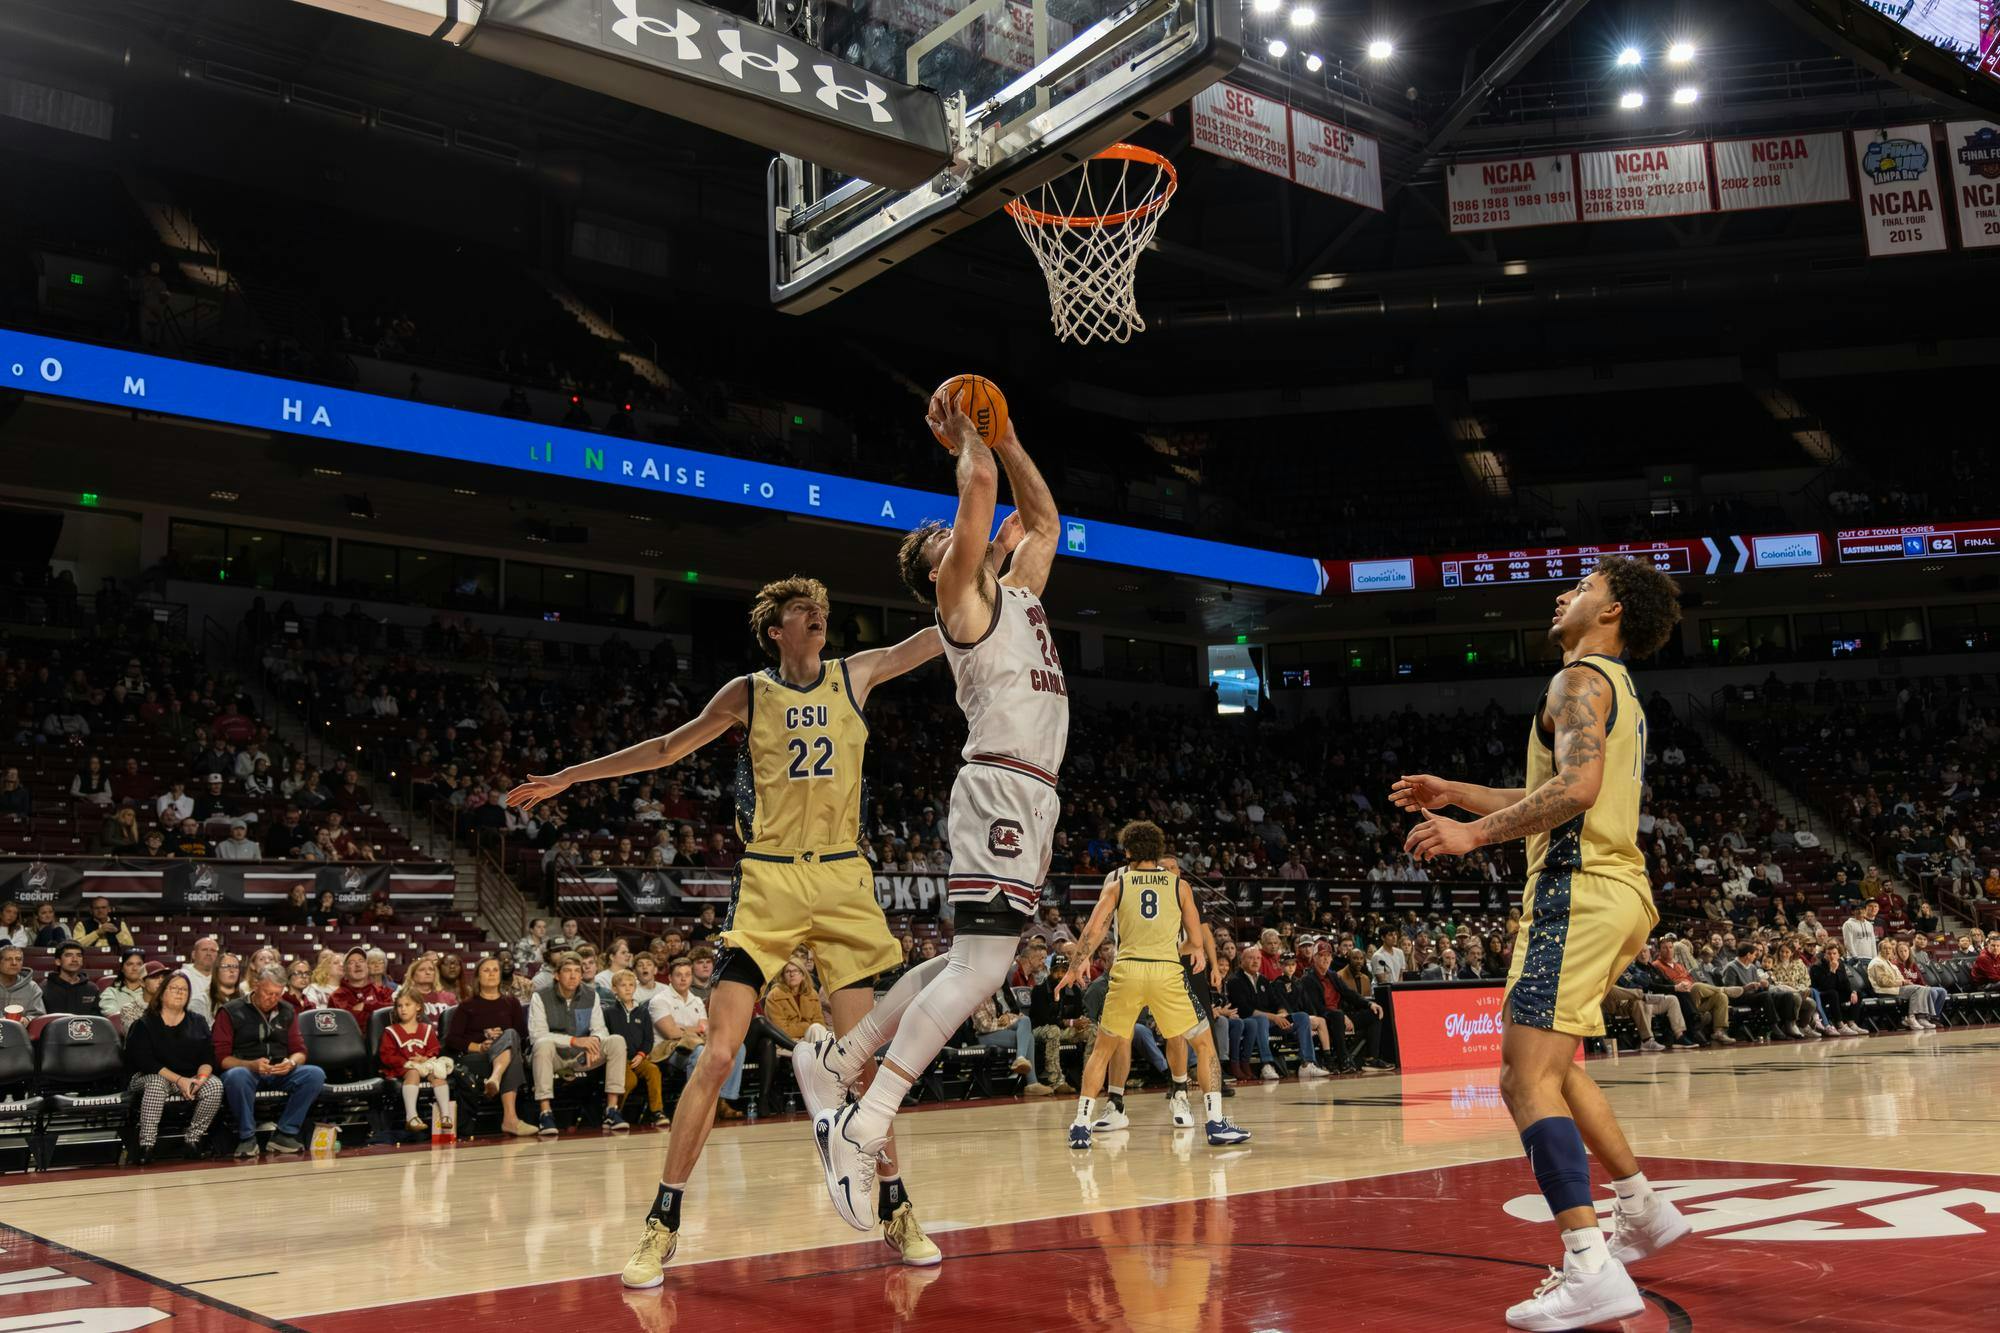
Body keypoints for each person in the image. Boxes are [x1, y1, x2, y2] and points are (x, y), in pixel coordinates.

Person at [507, 574, 953, 1287]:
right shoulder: (747, 692)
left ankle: (895, 1203)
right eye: (803, 609)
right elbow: (663, 748)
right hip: (771, 876)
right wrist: (569, 774)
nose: (819, 614)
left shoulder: (856, 672)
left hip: (842, 876)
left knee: (864, 1065)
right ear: (775, 629)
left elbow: (940, 631)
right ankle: (661, 1221)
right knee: (717, 1055)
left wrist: (992, 565)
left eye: (822, 607)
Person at [1391, 556, 1690, 1329]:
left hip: (1575, 890)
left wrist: (1468, 836)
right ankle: (1643, 1207)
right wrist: (1458, 792)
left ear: (1613, 610)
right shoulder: (1613, 688)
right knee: (1554, 1069)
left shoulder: (1577, 679)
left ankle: (1589, 1265)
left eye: (1584, 586)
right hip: (1618, 890)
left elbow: (1575, 792)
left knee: (1521, 1080)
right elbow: (1549, 792)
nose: (1565, 594)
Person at [814, 387, 1067, 1239]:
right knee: (984, 970)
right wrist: (969, 435)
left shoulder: (1018, 590)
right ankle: (869, 1113)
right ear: (934, 566)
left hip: (1035, 792)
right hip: (998, 782)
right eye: (937, 537)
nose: (947, 533)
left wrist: (1009, 427)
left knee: (974, 958)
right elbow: (984, 494)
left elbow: (1045, 517)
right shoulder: (960, 588)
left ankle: (845, 1057)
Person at [1059, 820, 1245, 1149]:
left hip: (1127, 970)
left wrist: (1075, 967)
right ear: (1159, 852)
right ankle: (1215, 1123)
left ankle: (1080, 1125)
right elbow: (1193, 938)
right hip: (1166, 971)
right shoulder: (1179, 886)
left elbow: (1093, 930)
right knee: (1204, 1046)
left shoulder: (1117, 885)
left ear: (1128, 850)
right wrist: (1189, 951)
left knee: (1103, 1048)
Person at [212, 965, 325, 1157]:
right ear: (256, 985)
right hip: (246, 1070)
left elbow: (299, 1051)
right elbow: (221, 1058)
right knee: (236, 1076)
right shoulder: (230, 1011)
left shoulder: (287, 1010)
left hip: (278, 1070)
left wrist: (290, 1063)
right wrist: (250, 1065)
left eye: (277, 994)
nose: (272, 999)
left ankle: (285, 1133)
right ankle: (247, 1138)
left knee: (314, 1074)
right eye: (267, 993)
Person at [123, 970, 222, 1165]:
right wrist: (179, 1080)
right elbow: (146, 1062)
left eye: (184, 989)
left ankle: (193, 1140)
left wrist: (200, 1079)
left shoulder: (198, 1021)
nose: (180, 993)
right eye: (174, 988)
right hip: (148, 1076)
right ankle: (147, 1145)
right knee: (157, 1083)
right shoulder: (144, 1023)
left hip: (189, 1077)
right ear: (162, 993)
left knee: (214, 1086)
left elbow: (208, 1056)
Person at [525, 952, 629, 1136]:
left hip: (582, 1057)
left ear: (582, 975)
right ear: (557, 975)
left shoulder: (591, 995)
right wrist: (574, 1040)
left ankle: (612, 1110)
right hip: (553, 1057)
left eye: (577, 971)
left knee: (616, 1041)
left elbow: (599, 1029)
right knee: (542, 1044)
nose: (573, 976)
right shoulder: (540, 996)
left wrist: (595, 1042)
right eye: (567, 971)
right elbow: (537, 1035)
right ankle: (545, 1112)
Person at [445, 956, 534, 1136]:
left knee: (510, 1035)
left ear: (501, 975)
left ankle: (496, 1077)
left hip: (505, 1053)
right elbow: (451, 1039)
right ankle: (510, 1119)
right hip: (478, 1057)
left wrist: (501, 1039)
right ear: (478, 977)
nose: (492, 974)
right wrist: (480, 1044)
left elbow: (522, 1036)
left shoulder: (512, 1003)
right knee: (511, 1052)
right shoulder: (467, 1006)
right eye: (486, 970)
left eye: (495, 970)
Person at [379, 988, 454, 1134]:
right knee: (413, 1073)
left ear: (418, 1007)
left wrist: (425, 1058)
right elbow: (386, 1055)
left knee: (438, 1076)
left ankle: (445, 1116)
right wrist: (408, 1062)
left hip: (424, 1064)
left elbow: (434, 1048)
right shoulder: (390, 1031)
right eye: (399, 1006)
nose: (403, 1009)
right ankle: (412, 1117)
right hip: (403, 1067)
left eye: (407, 1005)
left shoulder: (427, 1029)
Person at [604, 968, 665, 1127]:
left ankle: (657, 1112)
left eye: (631, 985)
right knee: (629, 1080)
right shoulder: (608, 1012)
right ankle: (614, 1111)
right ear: (614, 989)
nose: (628, 988)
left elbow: (648, 1039)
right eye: (623, 985)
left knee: (653, 1070)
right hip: (619, 1060)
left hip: (638, 1057)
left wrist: (642, 1054)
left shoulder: (643, 1012)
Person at [329, 947, 394, 1021]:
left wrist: (366, 1006)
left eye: (361, 961)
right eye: (351, 962)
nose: (357, 965)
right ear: (345, 970)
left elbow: (393, 1012)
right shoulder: (337, 997)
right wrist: (377, 1011)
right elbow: (350, 1021)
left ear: (367, 967)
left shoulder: (382, 992)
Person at [43, 942, 100, 1014]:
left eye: (79, 955)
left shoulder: (92, 989)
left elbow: (97, 1019)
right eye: (69, 955)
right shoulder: (44, 988)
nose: (75, 959)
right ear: (58, 961)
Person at [101, 949, 154, 1023]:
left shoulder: (151, 991)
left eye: (139, 964)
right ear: (122, 968)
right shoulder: (111, 992)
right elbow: (113, 1017)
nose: (135, 968)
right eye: (129, 964)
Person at [0, 945, 45, 1017]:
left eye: (18, 959)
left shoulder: (32, 987)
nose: (14, 963)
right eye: (8, 959)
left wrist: (27, 1020)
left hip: (22, 1028)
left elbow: (39, 1016)